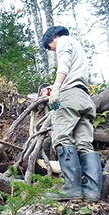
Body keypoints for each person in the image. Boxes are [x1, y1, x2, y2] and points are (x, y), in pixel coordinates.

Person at [42, 26, 102, 201]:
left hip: (69, 96)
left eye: (50, 45)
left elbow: (64, 64)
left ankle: (71, 190)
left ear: (53, 37)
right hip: (84, 97)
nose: (52, 49)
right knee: (84, 144)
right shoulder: (78, 47)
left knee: (61, 138)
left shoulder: (64, 41)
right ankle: (91, 192)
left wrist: (57, 88)